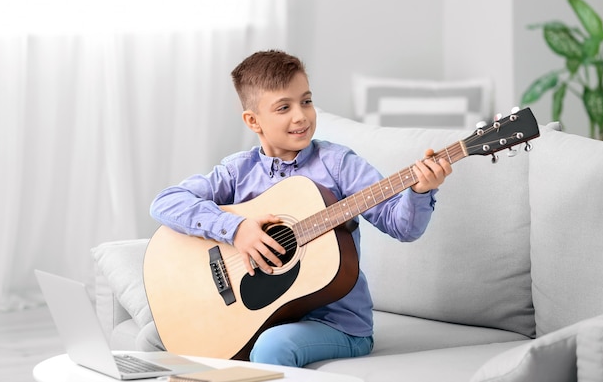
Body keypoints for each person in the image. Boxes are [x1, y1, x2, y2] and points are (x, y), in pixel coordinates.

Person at [147, 50, 452, 367]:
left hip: (337, 325)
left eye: (306, 101)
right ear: (253, 121)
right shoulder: (239, 171)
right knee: (153, 338)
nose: (301, 116)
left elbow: (401, 227)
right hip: (258, 318)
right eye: (284, 107)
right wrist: (236, 229)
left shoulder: (337, 165)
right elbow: (166, 202)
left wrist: (420, 191)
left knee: (271, 347)